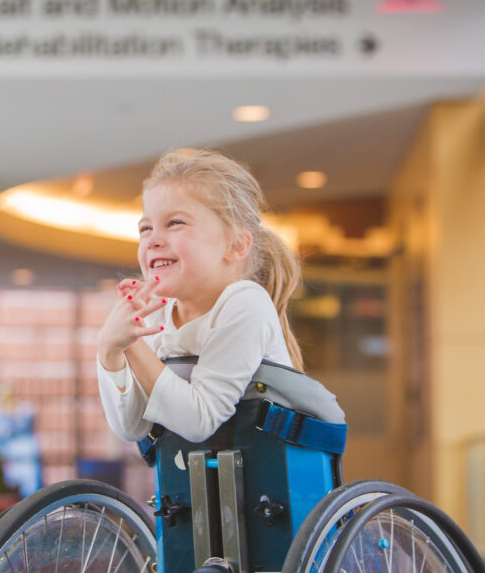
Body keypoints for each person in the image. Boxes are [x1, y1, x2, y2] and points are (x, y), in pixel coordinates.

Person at [97, 149, 343, 444]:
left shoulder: (245, 303)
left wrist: (134, 345)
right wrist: (111, 351)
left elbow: (199, 420)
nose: (153, 239)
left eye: (175, 223)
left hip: (275, 482)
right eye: (145, 228)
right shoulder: (155, 315)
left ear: (236, 246)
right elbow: (132, 429)